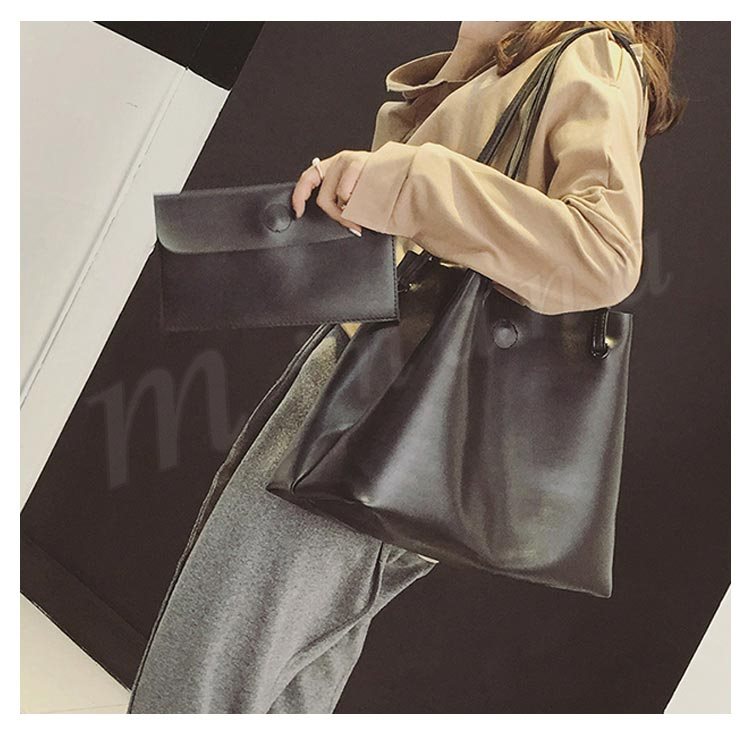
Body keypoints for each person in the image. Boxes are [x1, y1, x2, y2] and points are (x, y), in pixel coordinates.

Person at [128, 21, 685, 714]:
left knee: (206, 673)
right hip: (371, 380)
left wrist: (414, 181)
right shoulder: (529, 53)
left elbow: (603, 252)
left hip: (387, 403)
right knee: (279, 689)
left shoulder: (595, 55)